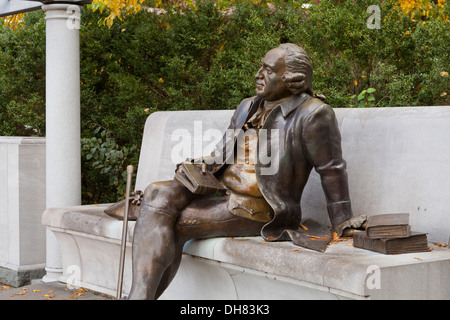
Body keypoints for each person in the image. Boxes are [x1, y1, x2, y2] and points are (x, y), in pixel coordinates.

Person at [124, 43, 364, 300]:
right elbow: (222, 154)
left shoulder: (313, 113)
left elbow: (331, 169)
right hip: (220, 194)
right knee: (156, 192)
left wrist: (342, 221)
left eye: (268, 70)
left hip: (260, 208)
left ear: (292, 79)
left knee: (172, 222)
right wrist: (198, 166)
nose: (258, 74)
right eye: (260, 67)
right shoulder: (248, 106)